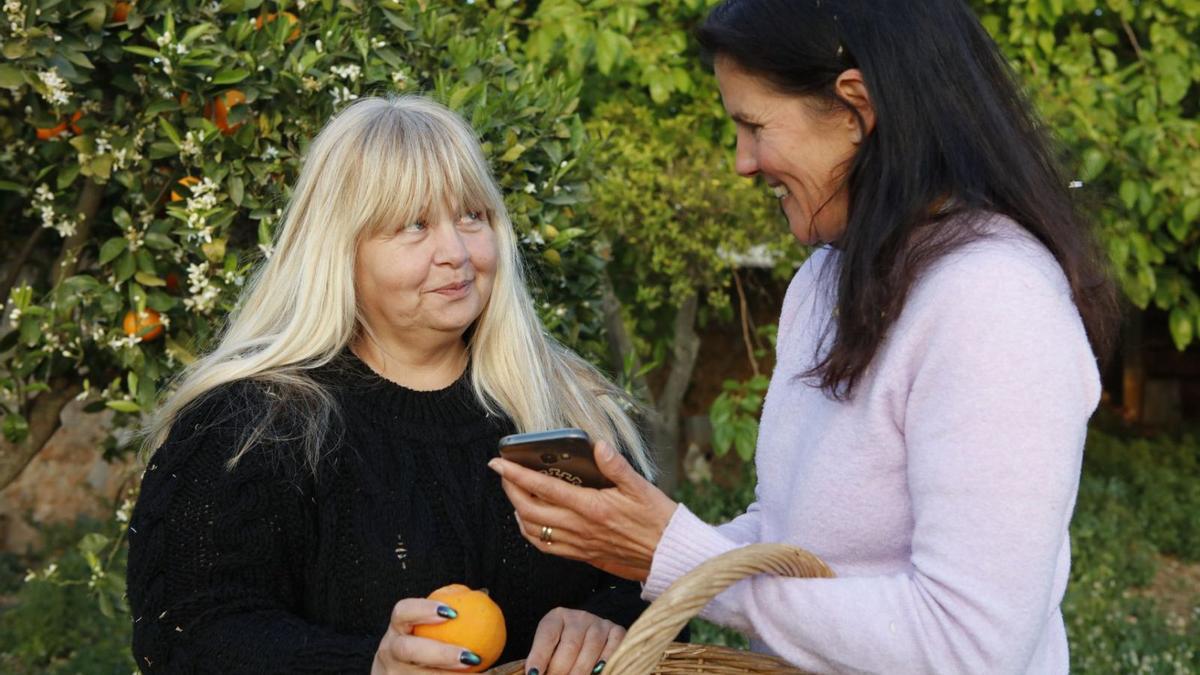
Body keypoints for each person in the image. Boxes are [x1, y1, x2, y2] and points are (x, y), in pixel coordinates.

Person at [489, 0, 1121, 672]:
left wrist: (677, 557)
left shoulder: (995, 299)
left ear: (856, 109)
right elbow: (792, 532)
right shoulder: (827, 279)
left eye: (754, 125)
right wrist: (642, 570)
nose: (743, 161)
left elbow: (969, 647)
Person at [126, 96, 657, 675]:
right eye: (413, 225)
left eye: (472, 217)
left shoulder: (562, 405)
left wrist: (606, 624)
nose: (455, 253)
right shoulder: (249, 426)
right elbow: (189, 634)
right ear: (340, 249)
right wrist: (369, 667)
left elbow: (643, 579)